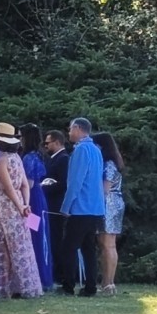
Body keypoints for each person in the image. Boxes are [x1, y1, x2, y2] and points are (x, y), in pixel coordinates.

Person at [0, 123, 43, 298]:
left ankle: (7, 288)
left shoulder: (0, 160)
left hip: (3, 205)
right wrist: (25, 204)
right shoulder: (17, 158)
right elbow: (25, 185)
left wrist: (20, 206)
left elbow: (8, 187)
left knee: (4, 246)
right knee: (22, 245)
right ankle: (27, 286)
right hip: (19, 203)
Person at [59, 117, 105, 297]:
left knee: (68, 248)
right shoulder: (96, 150)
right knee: (88, 250)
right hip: (95, 208)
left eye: (70, 129)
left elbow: (75, 182)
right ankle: (90, 286)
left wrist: (66, 206)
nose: (69, 132)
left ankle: (68, 285)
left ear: (78, 129)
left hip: (81, 208)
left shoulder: (81, 150)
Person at [19, 123, 53, 290]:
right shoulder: (36, 155)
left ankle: (39, 274)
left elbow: (29, 183)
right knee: (37, 234)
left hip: (32, 200)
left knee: (34, 235)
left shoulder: (28, 158)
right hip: (38, 198)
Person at [93, 131, 126, 295]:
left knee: (107, 245)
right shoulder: (114, 162)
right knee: (107, 244)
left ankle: (108, 283)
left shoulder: (109, 164)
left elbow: (105, 188)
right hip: (115, 202)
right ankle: (107, 282)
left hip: (109, 203)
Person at [42, 129, 72, 286]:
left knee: (56, 239)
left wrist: (43, 187)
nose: (45, 146)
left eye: (47, 143)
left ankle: (59, 275)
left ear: (57, 142)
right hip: (47, 206)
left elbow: (63, 184)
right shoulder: (52, 159)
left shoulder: (64, 159)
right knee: (48, 237)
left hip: (56, 207)